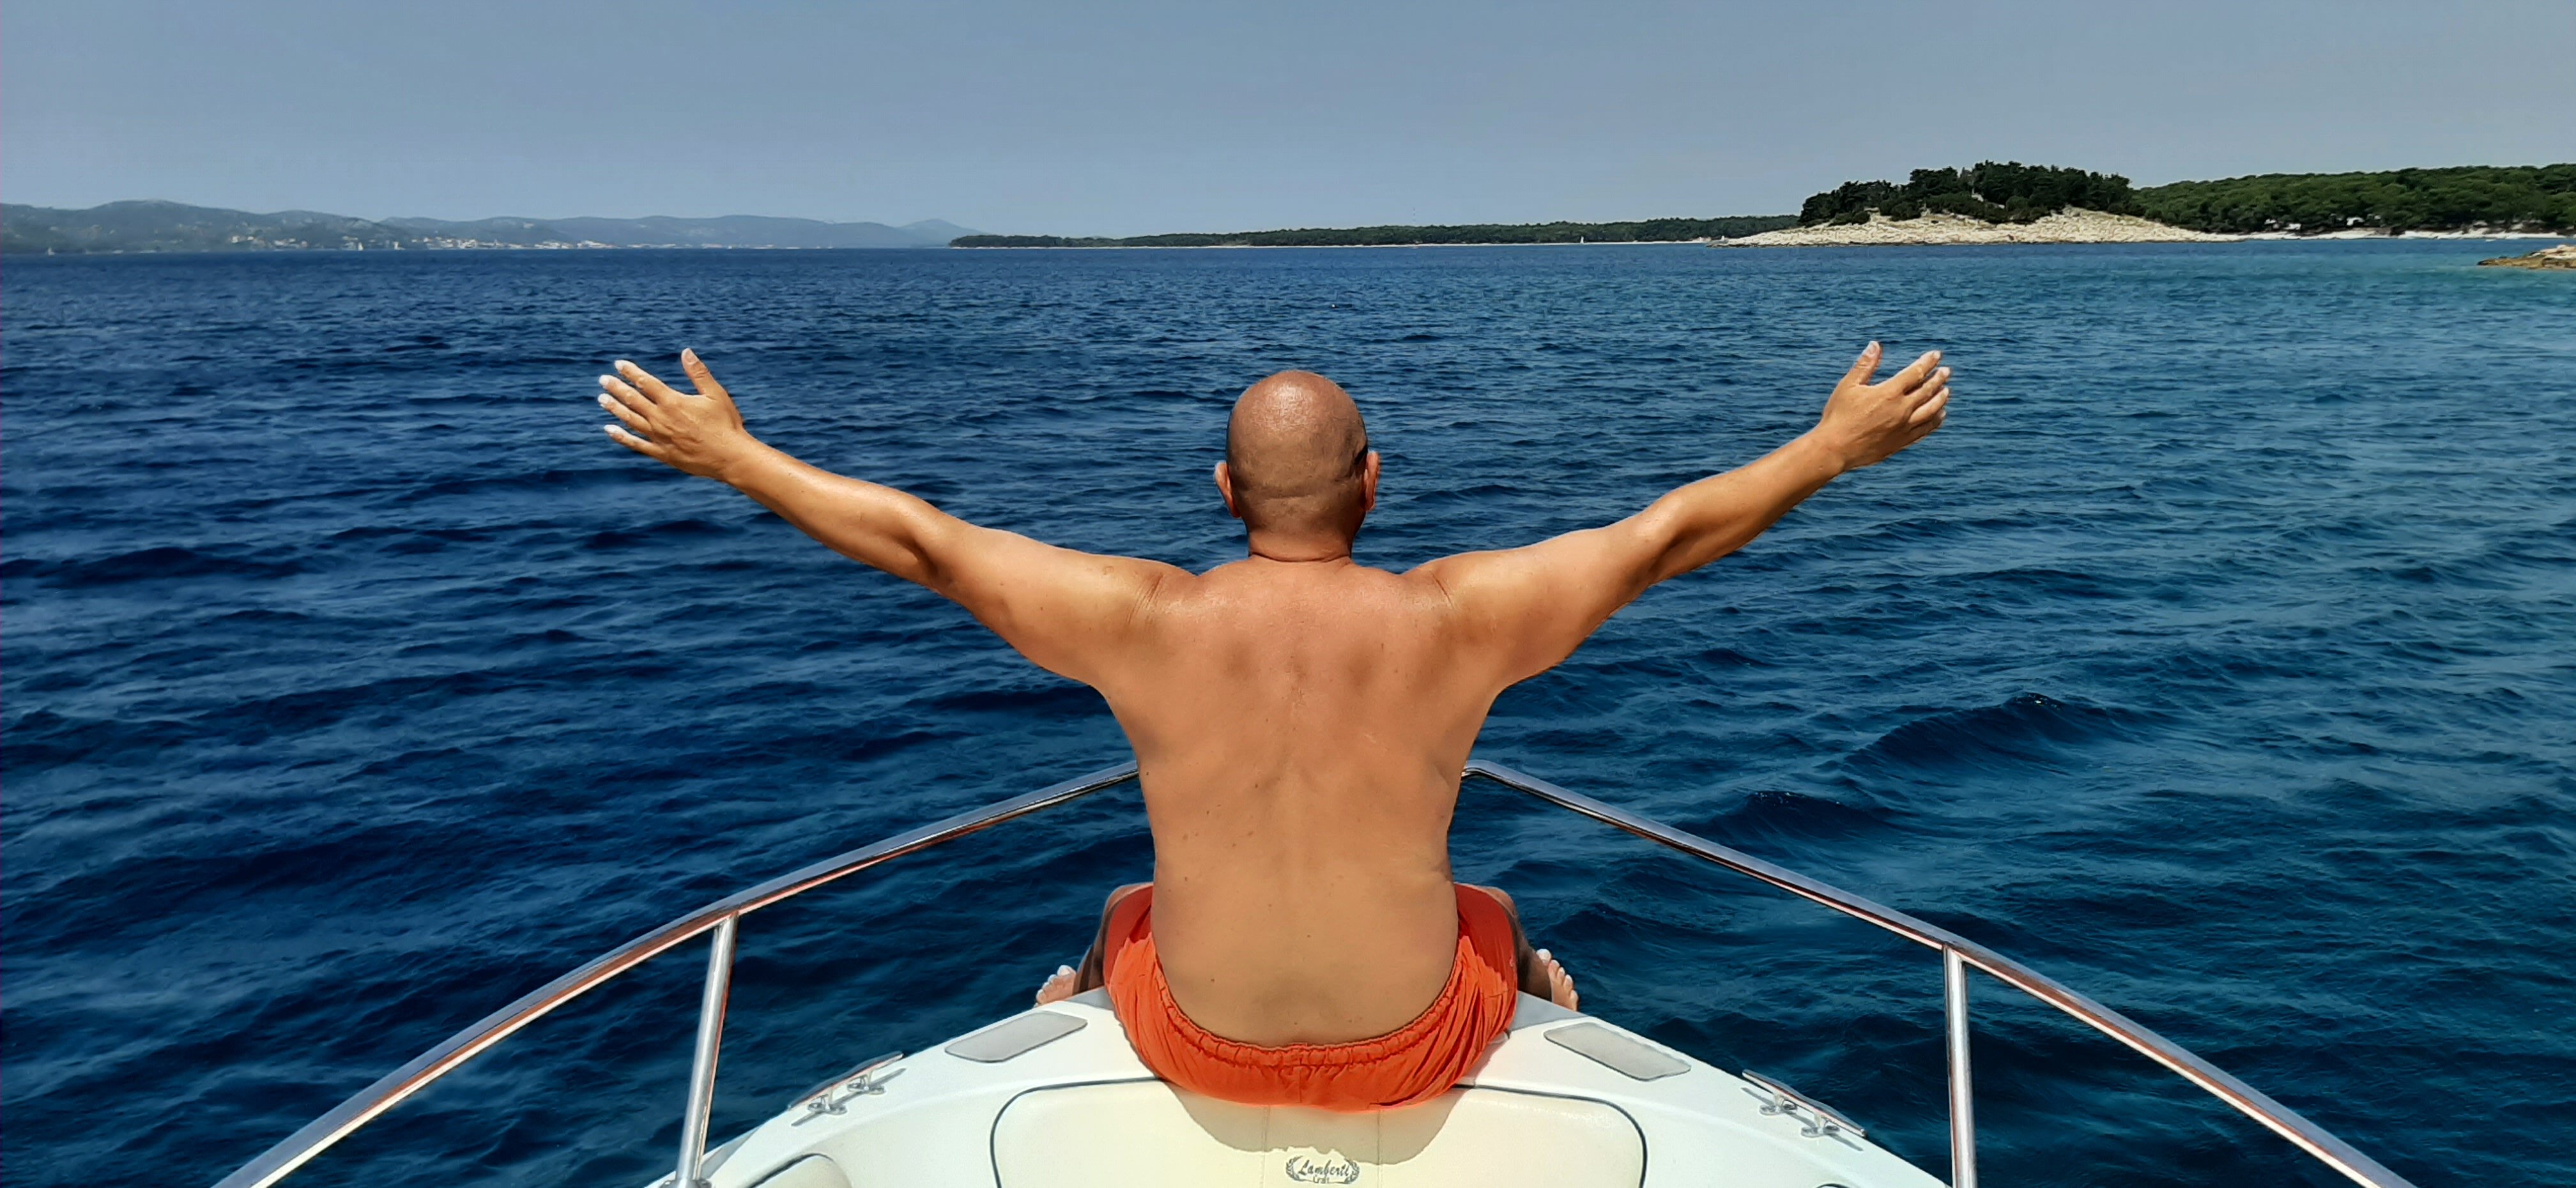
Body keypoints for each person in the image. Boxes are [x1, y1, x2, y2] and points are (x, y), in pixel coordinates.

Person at [596, 343, 1949, 1111]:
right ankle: (1536, 1004)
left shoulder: (1142, 622)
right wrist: (1832, 446)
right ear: (1374, 482)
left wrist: (736, 455)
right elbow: (1661, 538)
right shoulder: (1457, 622)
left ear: (1223, 488)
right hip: (1416, 1044)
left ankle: (1077, 1000)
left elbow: (927, 543)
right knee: (1487, 908)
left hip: (1195, 1040)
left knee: (1125, 907)